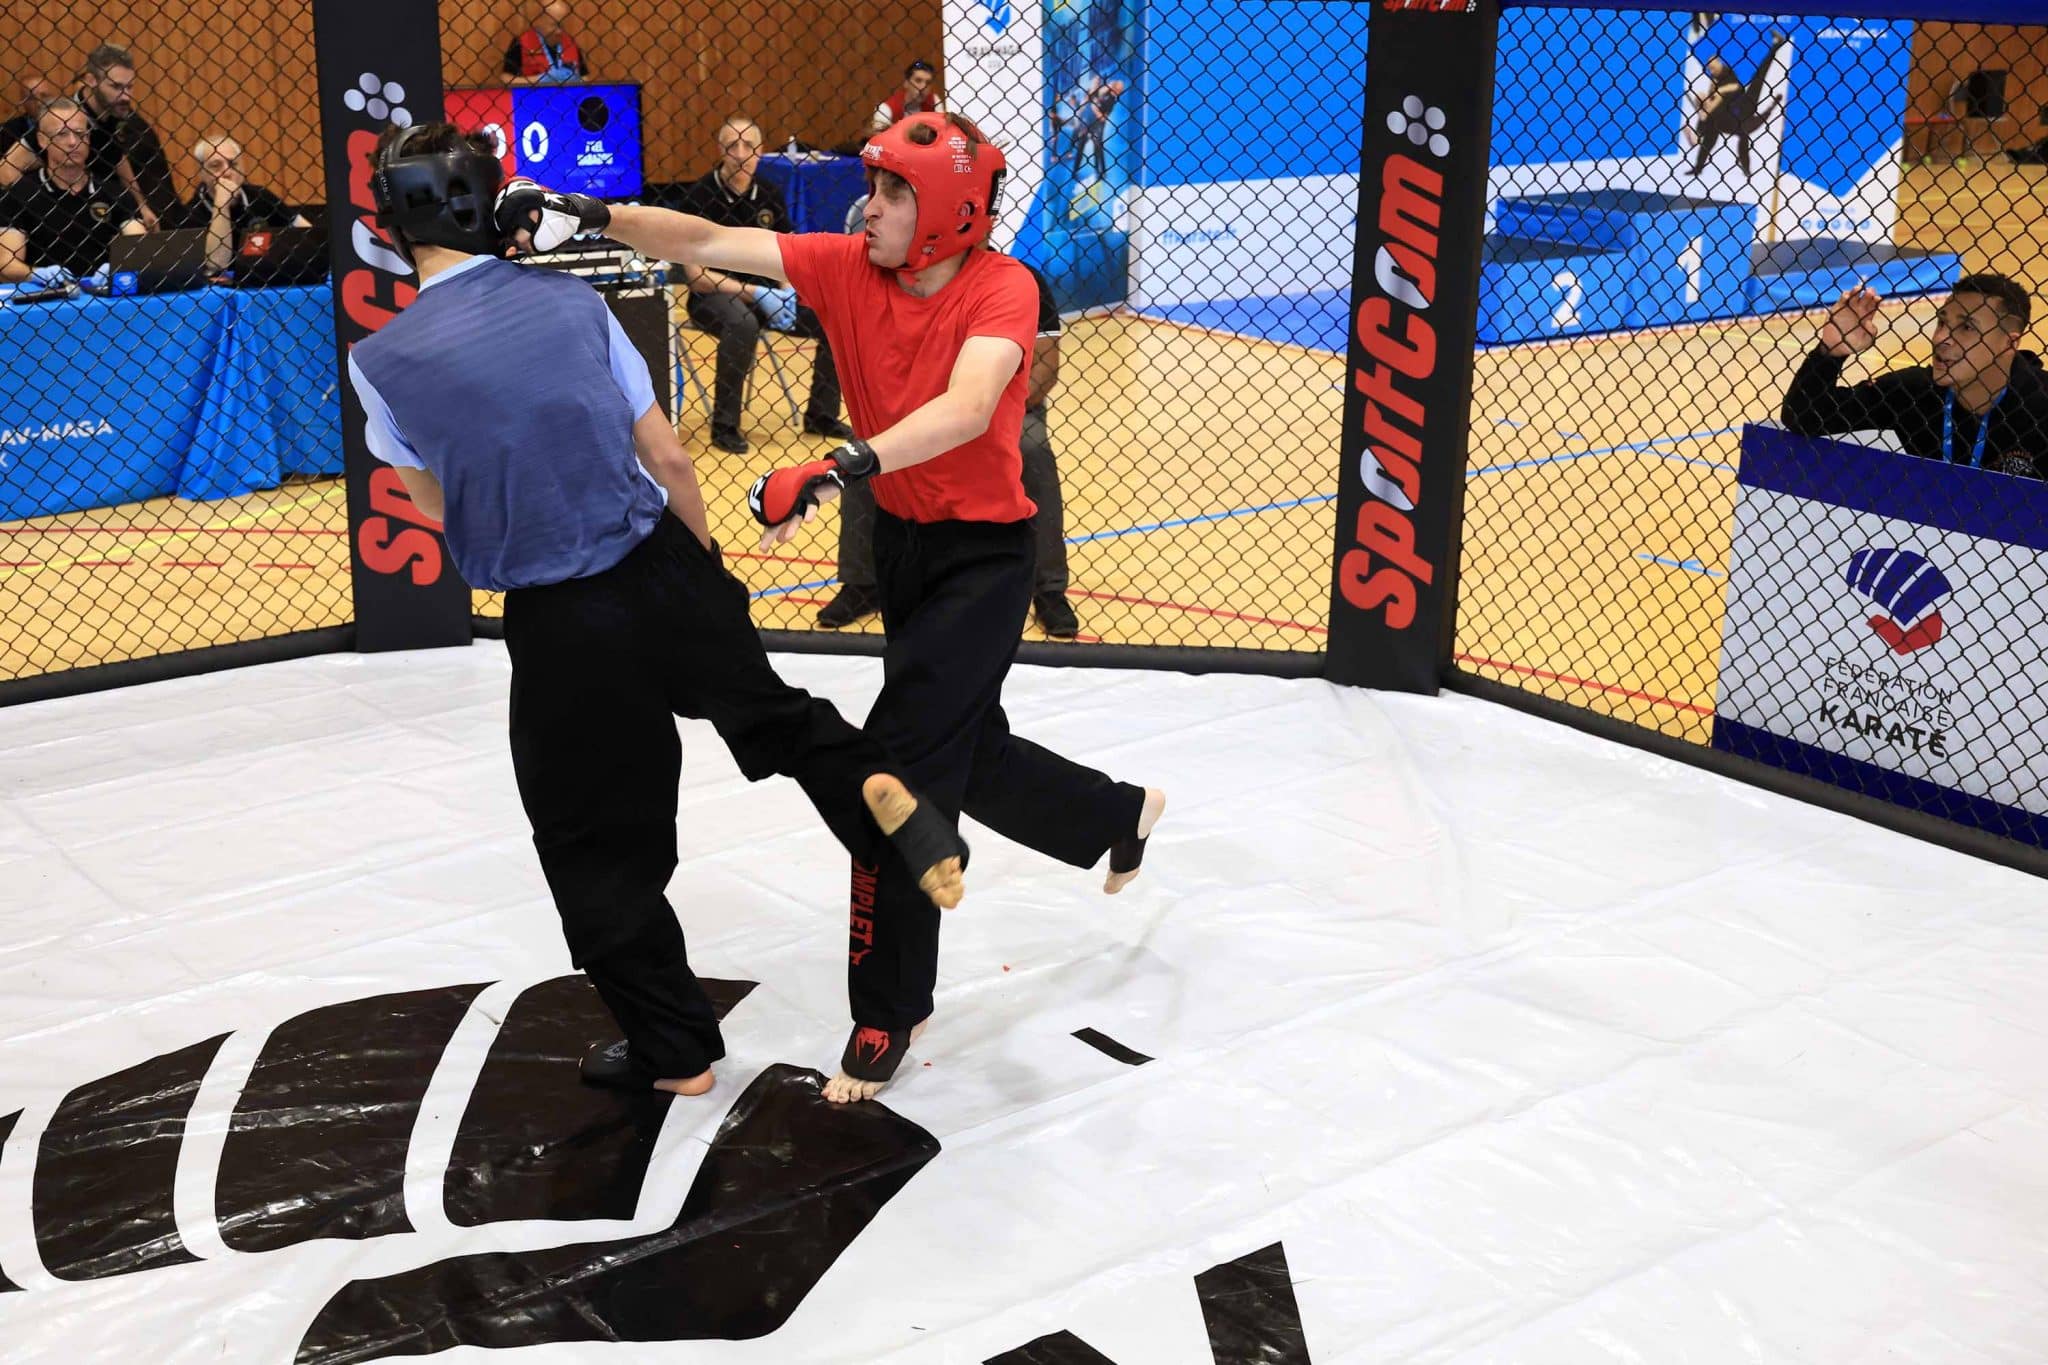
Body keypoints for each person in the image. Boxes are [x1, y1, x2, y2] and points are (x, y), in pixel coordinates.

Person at [502, 111, 1166, 1105]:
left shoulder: (1004, 287)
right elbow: (708, 237)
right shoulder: (847, 265)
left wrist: (838, 464)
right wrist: (592, 213)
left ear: (948, 210)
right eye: (874, 186)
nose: (871, 207)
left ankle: (887, 1008)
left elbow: (969, 408)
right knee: (964, 748)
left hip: (985, 561)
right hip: (903, 547)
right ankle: (1117, 813)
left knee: (895, 769)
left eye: (895, 192)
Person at [351, 121, 970, 1099]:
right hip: (660, 562)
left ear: (395, 226)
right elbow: (670, 458)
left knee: (592, 842)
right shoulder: (572, 302)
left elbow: (432, 499)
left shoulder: (380, 361)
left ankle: (674, 1052)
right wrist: (705, 572)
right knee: (776, 718)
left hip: (559, 619)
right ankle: (873, 791)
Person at [819, 257, 1080, 637]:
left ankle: (1049, 588)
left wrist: (984, 414)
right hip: (921, 408)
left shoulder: (1020, 278)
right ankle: (862, 582)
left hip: (1003, 408)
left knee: (1032, 448)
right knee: (864, 450)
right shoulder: (906, 280)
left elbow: (1045, 365)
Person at [672, 115, 851, 454]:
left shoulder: (769, 192)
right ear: (720, 150)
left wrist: (785, 290)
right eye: (732, 146)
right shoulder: (700, 196)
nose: (741, 154)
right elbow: (696, 277)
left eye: (749, 145)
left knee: (834, 317)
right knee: (742, 324)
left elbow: (787, 253)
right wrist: (755, 292)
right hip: (714, 296)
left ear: (761, 151)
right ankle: (725, 426)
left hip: (766, 294)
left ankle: (821, 415)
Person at [1780, 274, 2048, 479]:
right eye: (1942, 322)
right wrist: (1831, 352)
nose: (1942, 338)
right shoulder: (1912, 391)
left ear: (2009, 343)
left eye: (1967, 327)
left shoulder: (2041, 406)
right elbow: (1805, 416)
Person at [0, 97, 144, 285]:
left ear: (88, 138)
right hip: (45, 295)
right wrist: (36, 274)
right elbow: (6, 263)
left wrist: (119, 269)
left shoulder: (114, 193)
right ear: (42, 140)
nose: (72, 142)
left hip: (101, 294)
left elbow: (141, 246)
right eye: (62, 134)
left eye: (79, 133)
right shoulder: (19, 195)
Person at [161, 134, 309, 274]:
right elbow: (216, 265)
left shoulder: (261, 196)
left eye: (233, 164)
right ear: (201, 172)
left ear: (242, 168)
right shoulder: (190, 214)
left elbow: (306, 231)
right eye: (216, 166)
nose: (227, 172)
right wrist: (222, 205)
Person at [505, 1, 588, 85]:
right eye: (554, 25)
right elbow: (506, 79)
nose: (559, 31)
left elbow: (585, 77)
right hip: (534, 93)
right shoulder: (522, 42)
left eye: (561, 25)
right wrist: (540, 79)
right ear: (540, 22)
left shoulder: (571, 43)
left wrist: (577, 80)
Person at [870, 60, 942, 132]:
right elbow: (879, 135)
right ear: (906, 83)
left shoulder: (934, 101)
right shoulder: (885, 108)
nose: (923, 87)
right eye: (918, 80)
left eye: (928, 83)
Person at [0, 72, 58, 156]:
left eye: (44, 96)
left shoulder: (66, 124)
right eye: (31, 98)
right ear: (23, 101)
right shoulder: (7, 132)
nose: (39, 103)